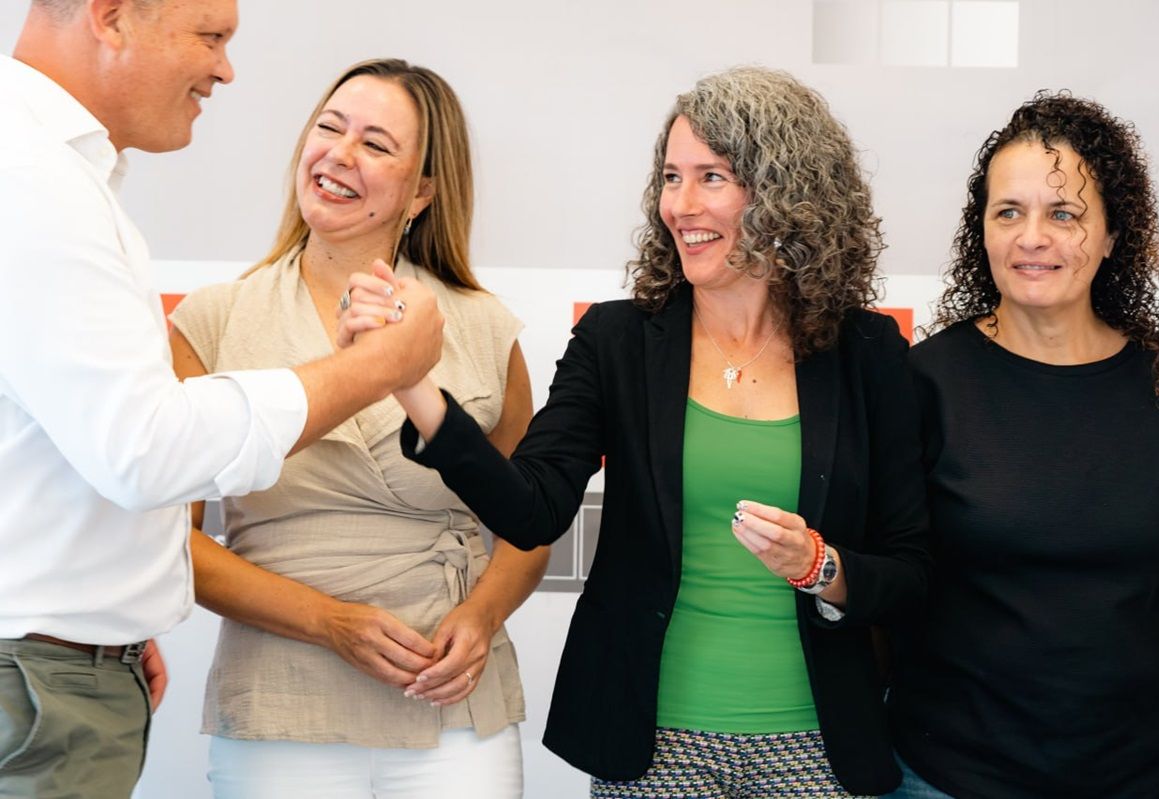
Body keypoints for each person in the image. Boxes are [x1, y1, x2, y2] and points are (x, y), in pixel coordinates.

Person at [344, 66, 930, 797]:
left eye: (711, 176)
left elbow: (911, 570)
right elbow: (532, 506)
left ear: (788, 193)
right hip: (653, 745)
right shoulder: (618, 339)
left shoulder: (869, 353)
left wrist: (820, 565)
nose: (679, 204)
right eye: (671, 177)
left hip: (818, 743)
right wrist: (410, 383)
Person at [0, 3, 443, 797]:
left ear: (422, 193)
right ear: (109, 17)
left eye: (377, 144)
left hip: (65, 669)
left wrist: (114, 615)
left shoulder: (58, 179)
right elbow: (147, 450)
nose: (225, 69)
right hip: (43, 685)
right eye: (211, 37)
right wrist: (376, 370)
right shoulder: (35, 183)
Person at [169, 58, 547, 799]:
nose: (340, 155)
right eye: (330, 128)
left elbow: (529, 524)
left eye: (376, 144)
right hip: (281, 705)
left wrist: (481, 614)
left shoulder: (483, 327)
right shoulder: (212, 320)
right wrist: (327, 620)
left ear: (424, 189)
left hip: (453, 710)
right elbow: (173, 540)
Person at [886, 92, 1159, 799]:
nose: (1033, 237)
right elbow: (882, 589)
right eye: (1009, 212)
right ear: (983, 232)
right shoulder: (923, 383)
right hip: (947, 778)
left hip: (1148, 778)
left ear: (1115, 233)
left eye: (1064, 213)